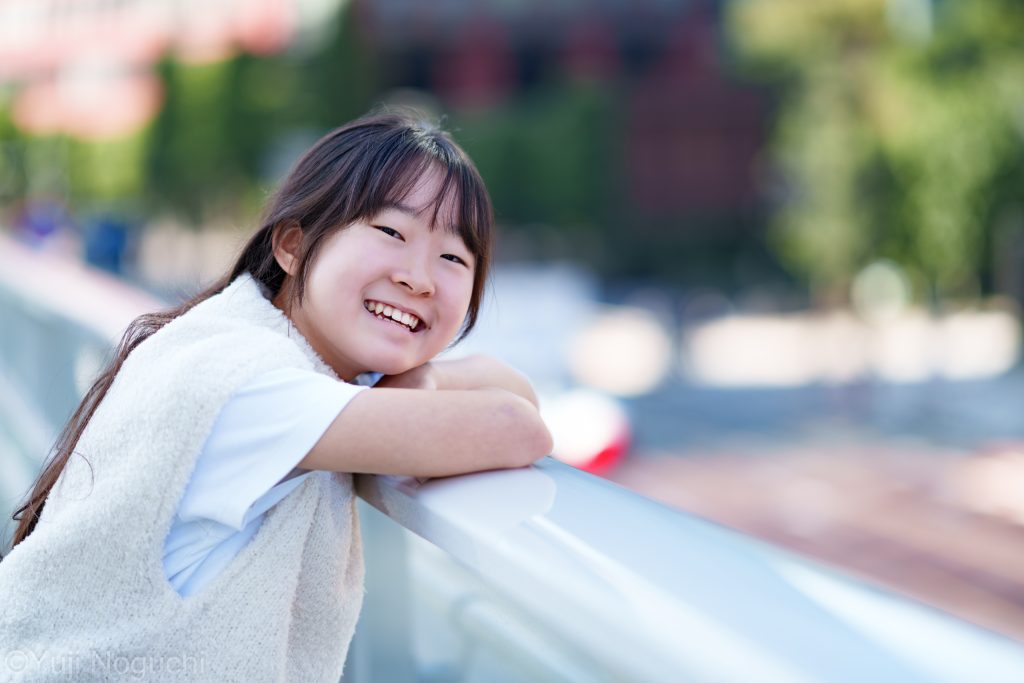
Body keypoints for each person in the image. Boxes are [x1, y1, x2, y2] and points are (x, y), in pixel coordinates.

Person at [0, 110, 553, 681]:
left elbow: (515, 392)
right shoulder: (253, 385)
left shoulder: (243, 344)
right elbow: (519, 426)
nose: (421, 278)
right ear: (292, 246)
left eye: (453, 258)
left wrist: (421, 383)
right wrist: (414, 386)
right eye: (391, 232)